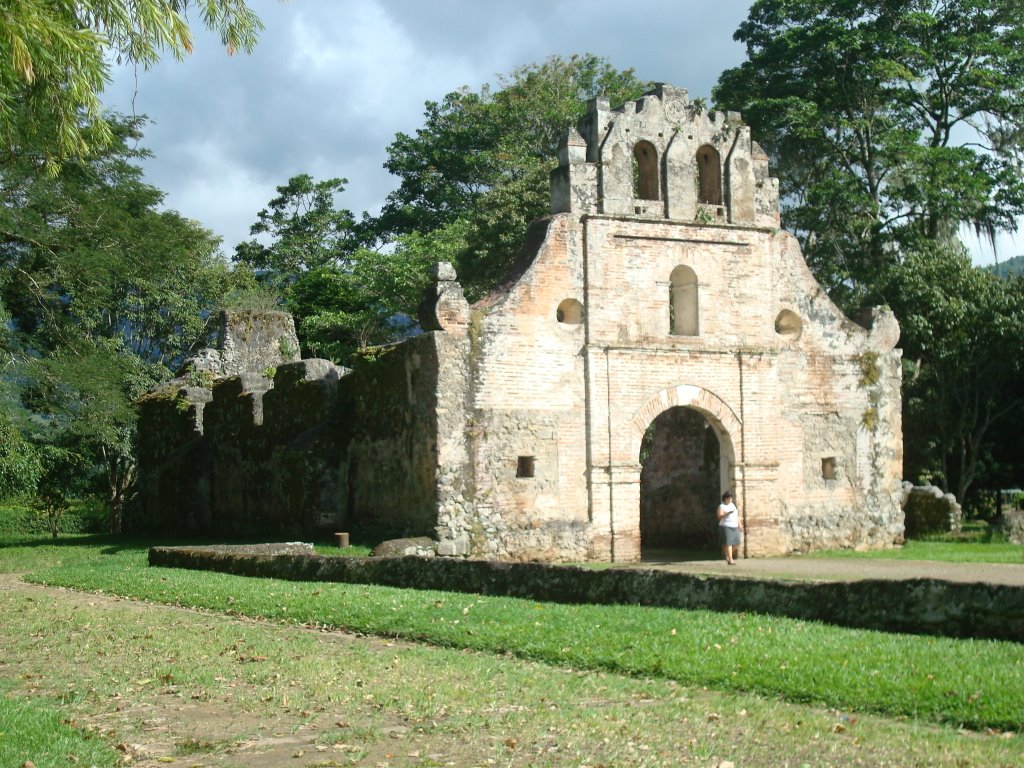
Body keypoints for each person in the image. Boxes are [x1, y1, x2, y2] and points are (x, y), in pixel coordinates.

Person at [716, 491, 742, 564]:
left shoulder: (733, 505)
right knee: (729, 543)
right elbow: (719, 516)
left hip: (735, 526)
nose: (730, 500)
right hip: (726, 526)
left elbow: (736, 516)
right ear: (725, 499)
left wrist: (739, 524)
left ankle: (726, 554)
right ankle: (730, 559)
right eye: (728, 498)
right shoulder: (722, 506)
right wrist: (727, 514)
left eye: (731, 498)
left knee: (737, 543)